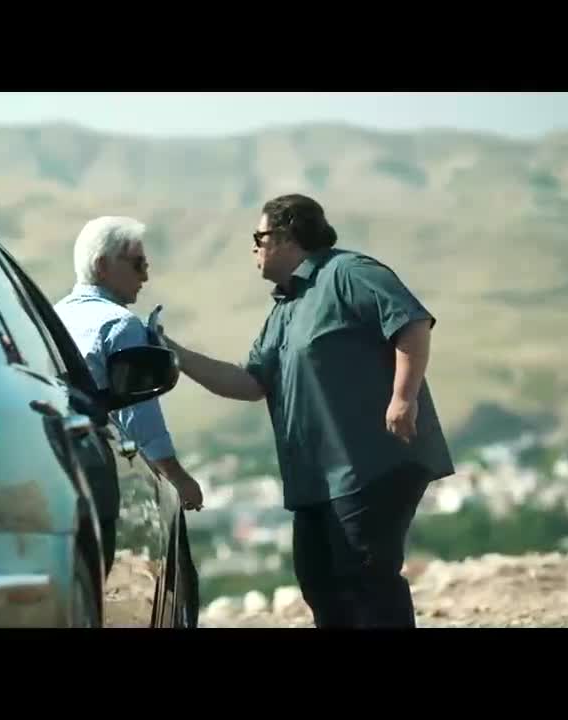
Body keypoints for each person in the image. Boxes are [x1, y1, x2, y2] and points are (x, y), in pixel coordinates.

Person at [158, 194, 454, 628]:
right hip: (317, 479)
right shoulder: (286, 307)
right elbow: (250, 382)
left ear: (286, 236)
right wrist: (174, 354)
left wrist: (403, 397)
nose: (254, 248)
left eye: (259, 237)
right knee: (319, 581)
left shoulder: (348, 273)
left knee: (365, 580)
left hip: (371, 463)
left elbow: (411, 323)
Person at [53, 216, 205, 512]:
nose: (145, 277)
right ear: (102, 265)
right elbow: (139, 416)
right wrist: (179, 479)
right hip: (104, 479)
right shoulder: (121, 324)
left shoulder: (53, 316)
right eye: (138, 264)